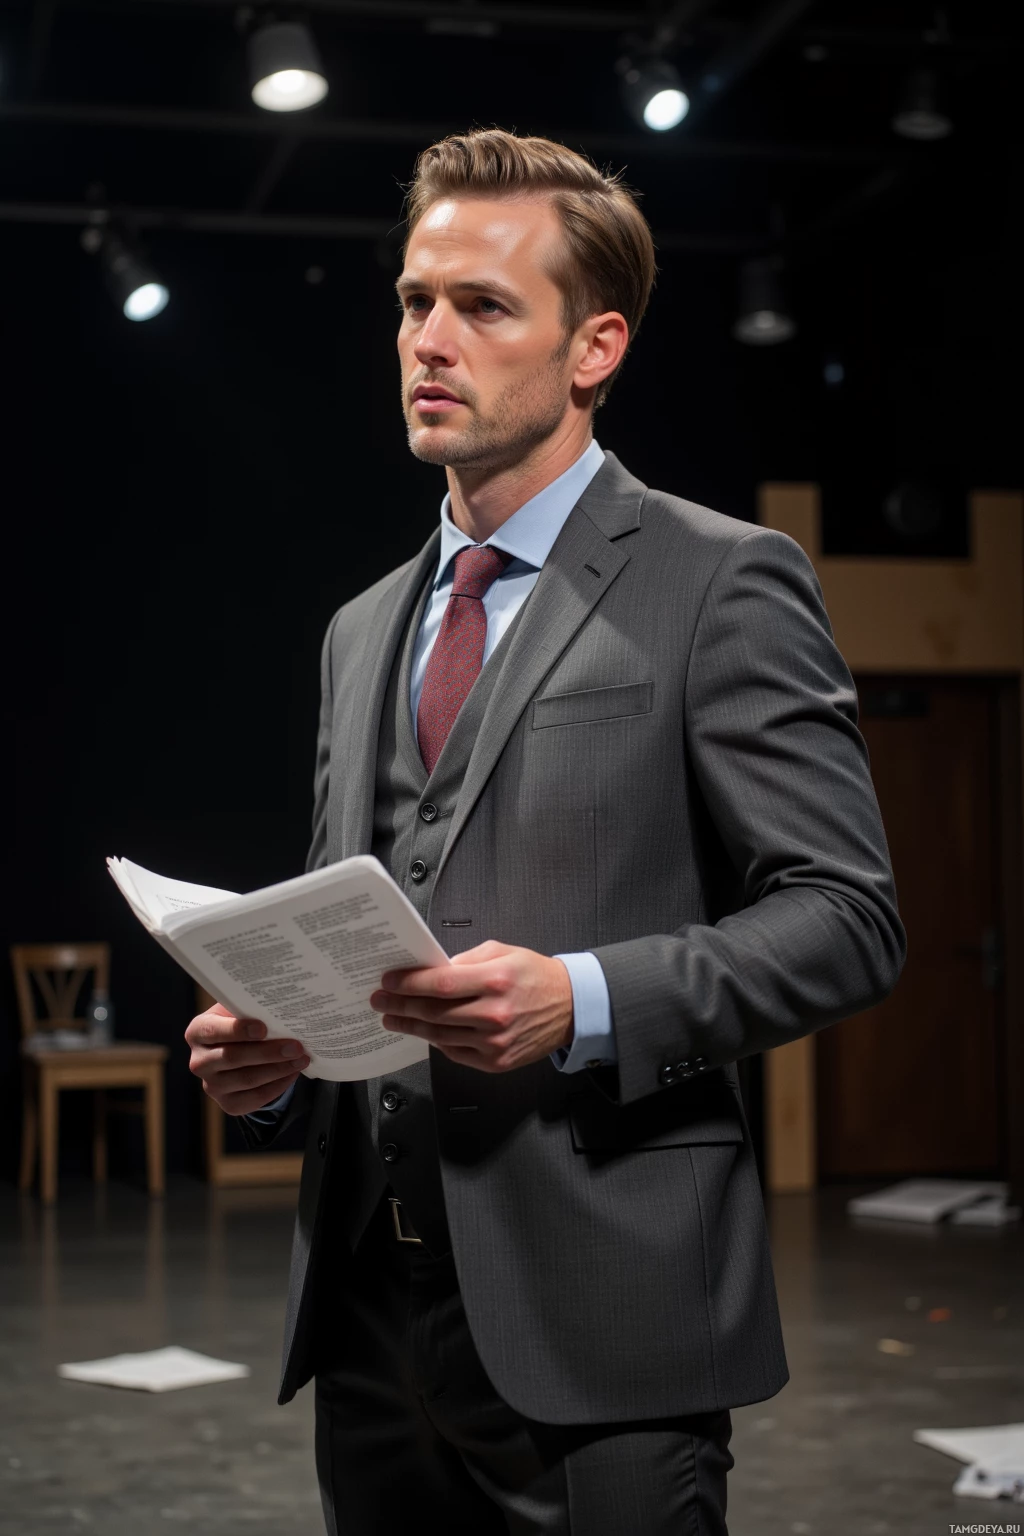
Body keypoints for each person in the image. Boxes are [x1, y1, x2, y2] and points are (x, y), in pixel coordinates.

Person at [185, 128, 905, 1535]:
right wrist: (277, 1051)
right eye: (413, 302)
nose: (431, 339)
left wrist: (577, 1000)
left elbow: (848, 917)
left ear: (595, 349)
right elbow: (374, 923)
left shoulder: (722, 582)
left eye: (484, 306)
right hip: (371, 1333)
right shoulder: (358, 629)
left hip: (613, 1322)